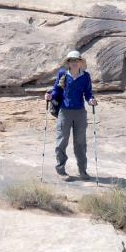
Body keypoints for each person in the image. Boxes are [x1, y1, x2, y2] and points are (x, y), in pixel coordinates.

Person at [45, 50, 97, 179]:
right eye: (71, 61)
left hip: (80, 112)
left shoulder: (85, 76)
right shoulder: (63, 74)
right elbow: (57, 91)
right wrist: (50, 96)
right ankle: (61, 170)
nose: (74, 63)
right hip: (65, 112)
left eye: (76, 60)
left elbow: (88, 92)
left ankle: (82, 171)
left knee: (80, 142)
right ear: (68, 63)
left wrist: (91, 100)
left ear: (80, 62)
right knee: (62, 141)